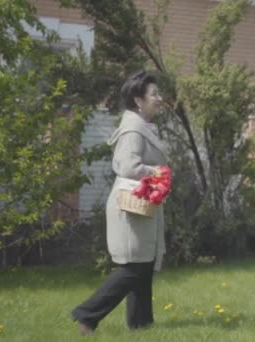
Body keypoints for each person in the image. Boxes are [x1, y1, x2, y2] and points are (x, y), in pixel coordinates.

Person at [71, 71, 167, 335]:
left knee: (143, 264)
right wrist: (157, 172)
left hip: (140, 205)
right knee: (134, 266)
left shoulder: (142, 126)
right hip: (130, 207)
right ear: (138, 100)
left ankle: (141, 325)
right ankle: (87, 314)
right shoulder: (132, 129)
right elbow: (128, 166)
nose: (159, 99)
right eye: (154, 95)